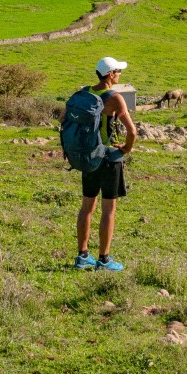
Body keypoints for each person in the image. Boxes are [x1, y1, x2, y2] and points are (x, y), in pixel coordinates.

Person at [74, 56, 137, 271]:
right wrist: (126, 149)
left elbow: (66, 117)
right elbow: (132, 131)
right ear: (110, 74)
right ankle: (104, 259)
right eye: (118, 71)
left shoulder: (85, 92)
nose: (120, 74)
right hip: (109, 158)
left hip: (88, 157)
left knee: (86, 207)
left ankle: (83, 257)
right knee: (108, 209)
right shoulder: (115, 98)